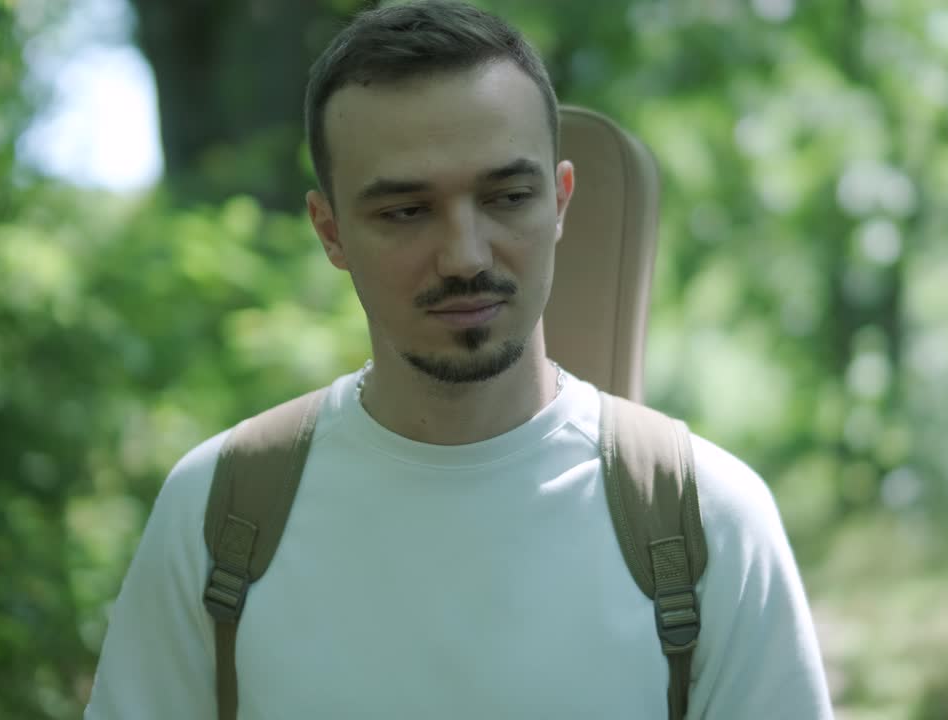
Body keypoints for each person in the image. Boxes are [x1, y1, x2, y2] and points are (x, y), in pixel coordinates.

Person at [84, 1, 834, 717]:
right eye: (405, 211)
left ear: (561, 200)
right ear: (331, 230)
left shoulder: (707, 518)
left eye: (507, 196)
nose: (465, 255)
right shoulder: (219, 514)